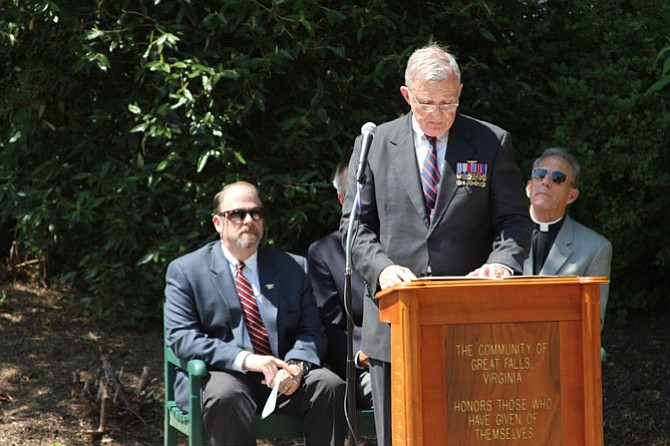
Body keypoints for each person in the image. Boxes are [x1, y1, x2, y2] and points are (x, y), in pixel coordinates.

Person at [340, 43, 532, 445]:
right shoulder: (375, 143)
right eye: (427, 104)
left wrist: (502, 263)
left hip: (468, 320)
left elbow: (514, 221)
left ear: (460, 91)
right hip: (394, 321)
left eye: (449, 103)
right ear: (407, 95)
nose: (438, 114)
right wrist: (382, 268)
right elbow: (355, 226)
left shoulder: (490, 142)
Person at [164, 181, 346, 446]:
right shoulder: (187, 271)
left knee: (328, 385)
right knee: (226, 394)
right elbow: (182, 338)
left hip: (284, 376)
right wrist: (247, 360)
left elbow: (312, 331)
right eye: (237, 214)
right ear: (218, 222)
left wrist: (297, 366)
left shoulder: (293, 268)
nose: (248, 220)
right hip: (222, 375)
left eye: (256, 213)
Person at [307, 163, 373, 410]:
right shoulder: (325, 253)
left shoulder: (409, 244)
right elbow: (329, 327)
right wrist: (362, 355)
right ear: (341, 198)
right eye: (361, 193)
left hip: (417, 355)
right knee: (399, 391)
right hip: (365, 367)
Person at [523, 147, 613, 327]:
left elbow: (592, 323)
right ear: (529, 187)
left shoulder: (595, 248)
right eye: (539, 175)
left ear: (572, 195)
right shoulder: (499, 236)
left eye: (558, 178)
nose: (546, 182)